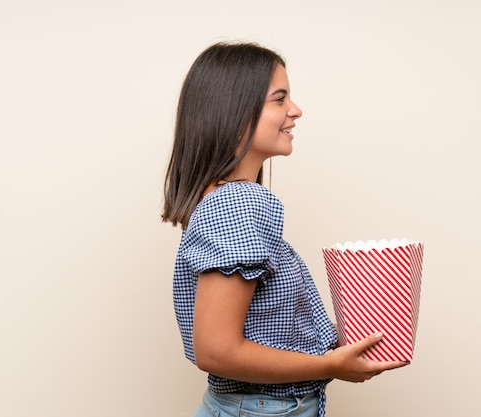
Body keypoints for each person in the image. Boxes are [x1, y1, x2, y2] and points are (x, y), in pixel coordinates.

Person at [162, 41, 408, 417]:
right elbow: (216, 350)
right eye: (279, 100)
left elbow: (257, 330)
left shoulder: (217, 200)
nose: (295, 110)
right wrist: (331, 366)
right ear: (236, 112)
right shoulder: (239, 204)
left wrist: (338, 344)